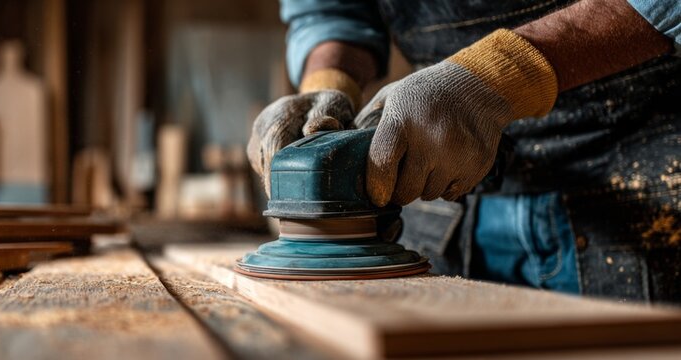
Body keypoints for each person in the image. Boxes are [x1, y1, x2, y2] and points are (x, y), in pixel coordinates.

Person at [247, 0, 681, 303]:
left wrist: (505, 72)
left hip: (639, 168)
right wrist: (328, 82)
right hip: (443, 180)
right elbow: (331, 10)